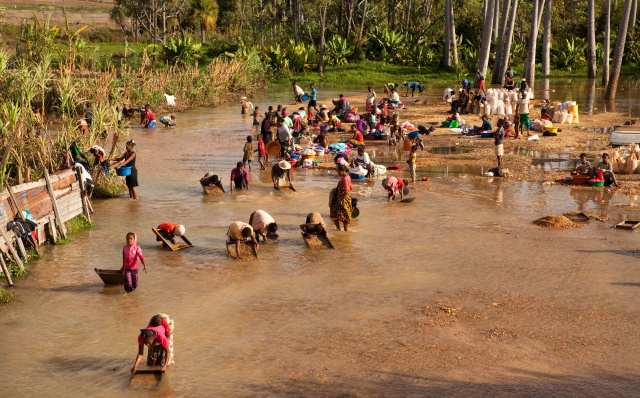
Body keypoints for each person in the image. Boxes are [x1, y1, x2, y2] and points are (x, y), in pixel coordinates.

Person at [330, 164, 353, 231]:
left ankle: (339, 229)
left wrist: (340, 200)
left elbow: (346, 191)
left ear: (343, 171)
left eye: (339, 171)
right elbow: (351, 187)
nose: (338, 173)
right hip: (347, 198)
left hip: (343, 199)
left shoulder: (345, 179)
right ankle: (344, 231)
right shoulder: (348, 177)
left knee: (334, 213)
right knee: (344, 214)